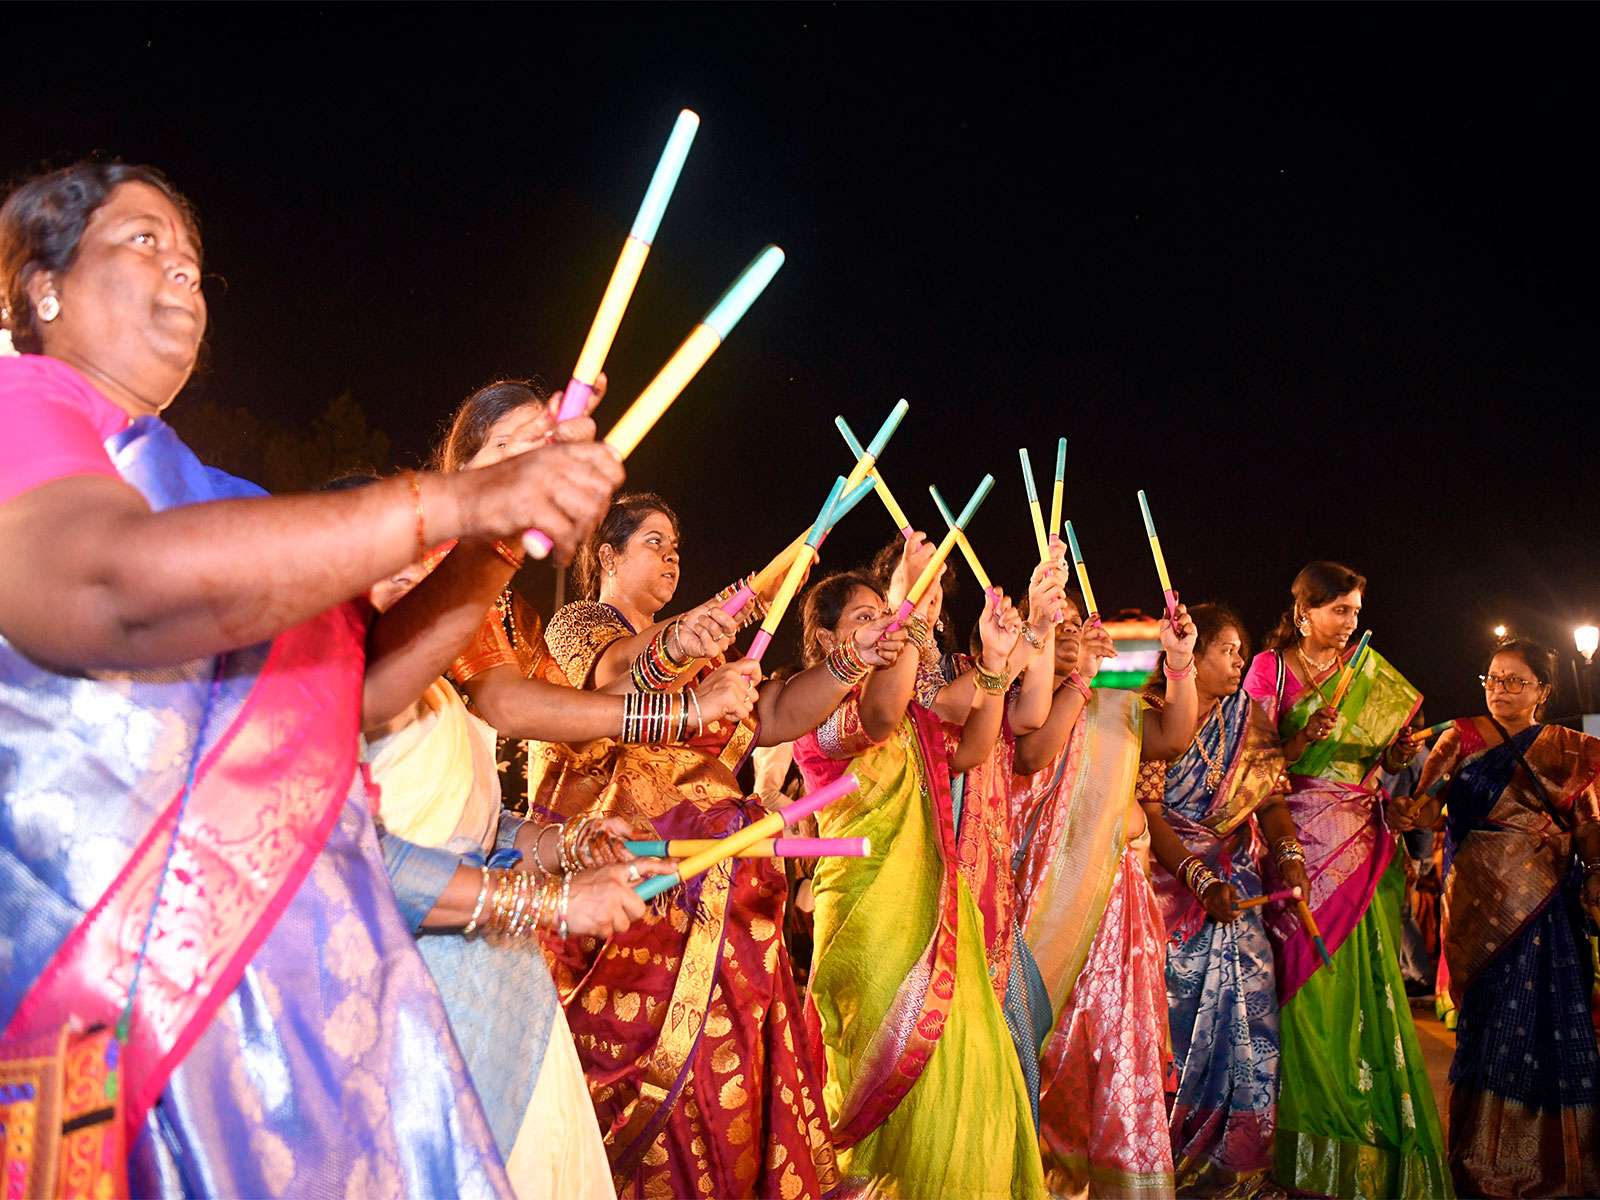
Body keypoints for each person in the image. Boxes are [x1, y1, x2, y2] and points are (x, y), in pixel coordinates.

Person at [0, 161, 622, 1195]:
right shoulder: (21, 406)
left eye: (194, 261)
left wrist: (497, 543)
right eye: (143, 241)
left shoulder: (211, 495)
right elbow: (102, 587)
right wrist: (453, 504)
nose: (184, 274)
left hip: (299, 1013)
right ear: (42, 288)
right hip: (124, 1009)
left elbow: (359, 698)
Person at [506, 492, 904, 1199]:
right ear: (607, 556)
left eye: (677, 545)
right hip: (636, 897)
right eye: (654, 542)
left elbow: (774, 715)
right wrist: (675, 647)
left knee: (737, 1086)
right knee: (644, 1105)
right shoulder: (581, 628)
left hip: (727, 898)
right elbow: (615, 679)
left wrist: (849, 664)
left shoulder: (703, 650)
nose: (672, 556)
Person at [792, 545, 1048, 1200]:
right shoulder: (815, 713)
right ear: (824, 637)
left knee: (975, 1074)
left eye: (889, 615)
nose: (886, 625)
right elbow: (877, 715)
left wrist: (1007, 653)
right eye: (866, 617)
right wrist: (906, 605)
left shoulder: (908, 706)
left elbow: (974, 745)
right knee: (884, 1087)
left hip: (937, 907)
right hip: (869, 922)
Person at [1241, 562, 1450, 1199]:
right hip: (1293, 839)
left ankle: (1362, 1130)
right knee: (1304, 987)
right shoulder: (1268, 671)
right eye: (1338, 612)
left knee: (1362, 983)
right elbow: (1254, 760)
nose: (1349, 623)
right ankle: (1302, 1138)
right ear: (1303, 612)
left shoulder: (1369, 675)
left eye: (1355, 612)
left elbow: (1377, 764)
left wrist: (1398, 756)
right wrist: (1303, 736)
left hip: (1364, 846)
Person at [1393, 638, 1600, 1197]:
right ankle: (1479, 1163)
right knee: (1486, 1030)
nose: (1500, 690)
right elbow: (1429, 806)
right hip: (1479, 909)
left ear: (1543, 691)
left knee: (1551, 1026)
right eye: (1492, 679)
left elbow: (1588, 828)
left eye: (1514, 680)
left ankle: (1560, 1167)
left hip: (1548, 907)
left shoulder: (1574, 749)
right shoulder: (1458, 738)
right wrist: (1406, 808)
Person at [1011, 589, 1199, 1200]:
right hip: (1040, 900)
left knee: (1121, 1046)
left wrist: (1177, 664)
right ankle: (1040, 1176)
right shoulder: (1019, 693)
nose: (1070, 634)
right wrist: (1074, 678)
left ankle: (1121, 1181)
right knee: (1048, 1043)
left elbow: (1173, 737)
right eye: (1053, 626)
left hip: (1116, 905)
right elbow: (1034, 755)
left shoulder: (1118, 689)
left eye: (1076, 622)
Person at [1136, 604, 1300, 1198]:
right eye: (1228, 651)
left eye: (1240, 650)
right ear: (1191, 656)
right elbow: (1151, 817)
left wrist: (1289, 856)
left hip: (1240, 882)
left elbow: (1270, 798)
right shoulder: (1151, 714)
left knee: (1252, 1022)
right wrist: (1200, 882)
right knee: (1175, 1021)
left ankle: (1243, 1164)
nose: (1238, 661)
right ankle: (1169, 1158)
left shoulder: (1247, 717)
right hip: (1171, 888)